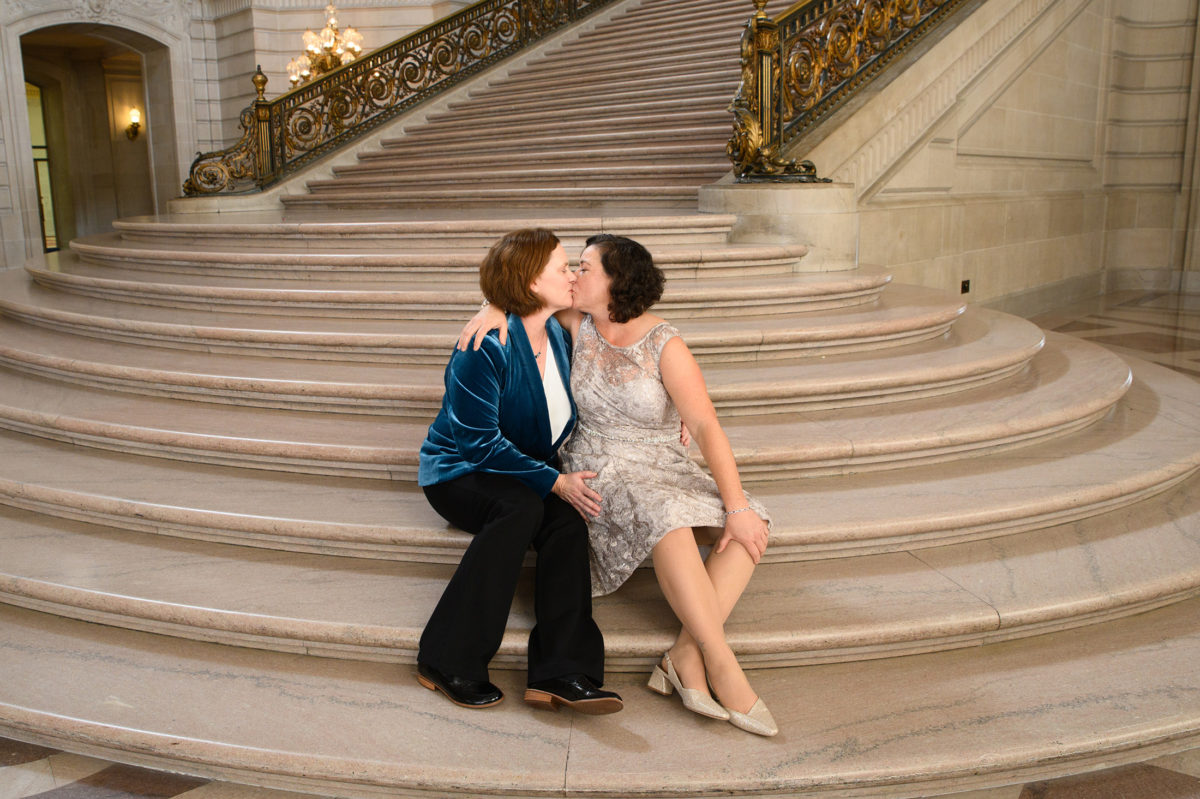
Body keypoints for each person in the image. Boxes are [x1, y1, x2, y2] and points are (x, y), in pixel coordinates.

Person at [462, 234, 775, 736]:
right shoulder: (574, 322)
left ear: (615, 282)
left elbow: (705, 426)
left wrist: (734, 505)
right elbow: (519, 290)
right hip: (597, 463)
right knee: (667, 519)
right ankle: (721, 663)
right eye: (572, 267)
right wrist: (492, 307)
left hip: (660, 461)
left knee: (749, 522)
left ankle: (684, 655)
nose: (572, 275)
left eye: (584, 268)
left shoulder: (663, 341)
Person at [416, 228, 621, 715]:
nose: (572, 275)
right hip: (459, 471)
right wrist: (553, 481)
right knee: (522, 507)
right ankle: (446, 659)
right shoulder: (485, 344)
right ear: (530, 282)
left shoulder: (556, 329)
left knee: (568, 521)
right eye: (562, 268)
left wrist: (673, 415)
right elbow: (478, 443)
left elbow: (632, 336)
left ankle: (562, 672)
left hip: (524, 470)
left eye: (574, 266)